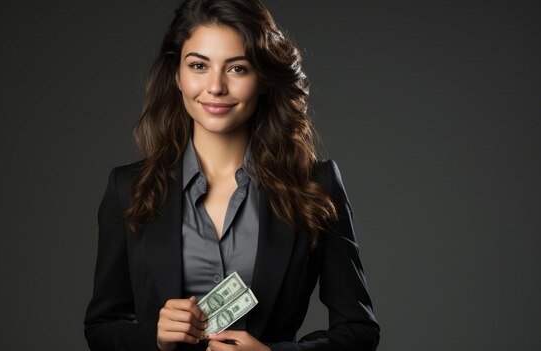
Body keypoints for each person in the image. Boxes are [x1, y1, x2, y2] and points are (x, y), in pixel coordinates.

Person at [84, 0, 380, 350]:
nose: (215, 87)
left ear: (264, 79)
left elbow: (359, 330)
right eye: (198, 65)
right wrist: (154, 336)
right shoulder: (128, 189)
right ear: (177, 75)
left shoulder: (316, 186)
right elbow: (101, 328)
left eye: (237, 69)